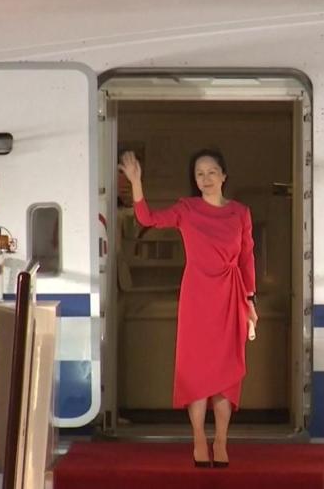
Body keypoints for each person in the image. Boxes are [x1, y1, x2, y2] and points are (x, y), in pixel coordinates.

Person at [118, 148, 258, 469]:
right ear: (194, 180)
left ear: (224, 175)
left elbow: (247, 257)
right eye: (199, 174)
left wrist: (250, 300)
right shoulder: (187, 209)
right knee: (196, 372)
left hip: (231, 295)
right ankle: (197, 438)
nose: (205, 179)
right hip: (197, 297)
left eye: (211, 172)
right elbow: (148, 219)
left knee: (226, 375)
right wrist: (136, 183)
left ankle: (221, 440)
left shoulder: (240, 212)